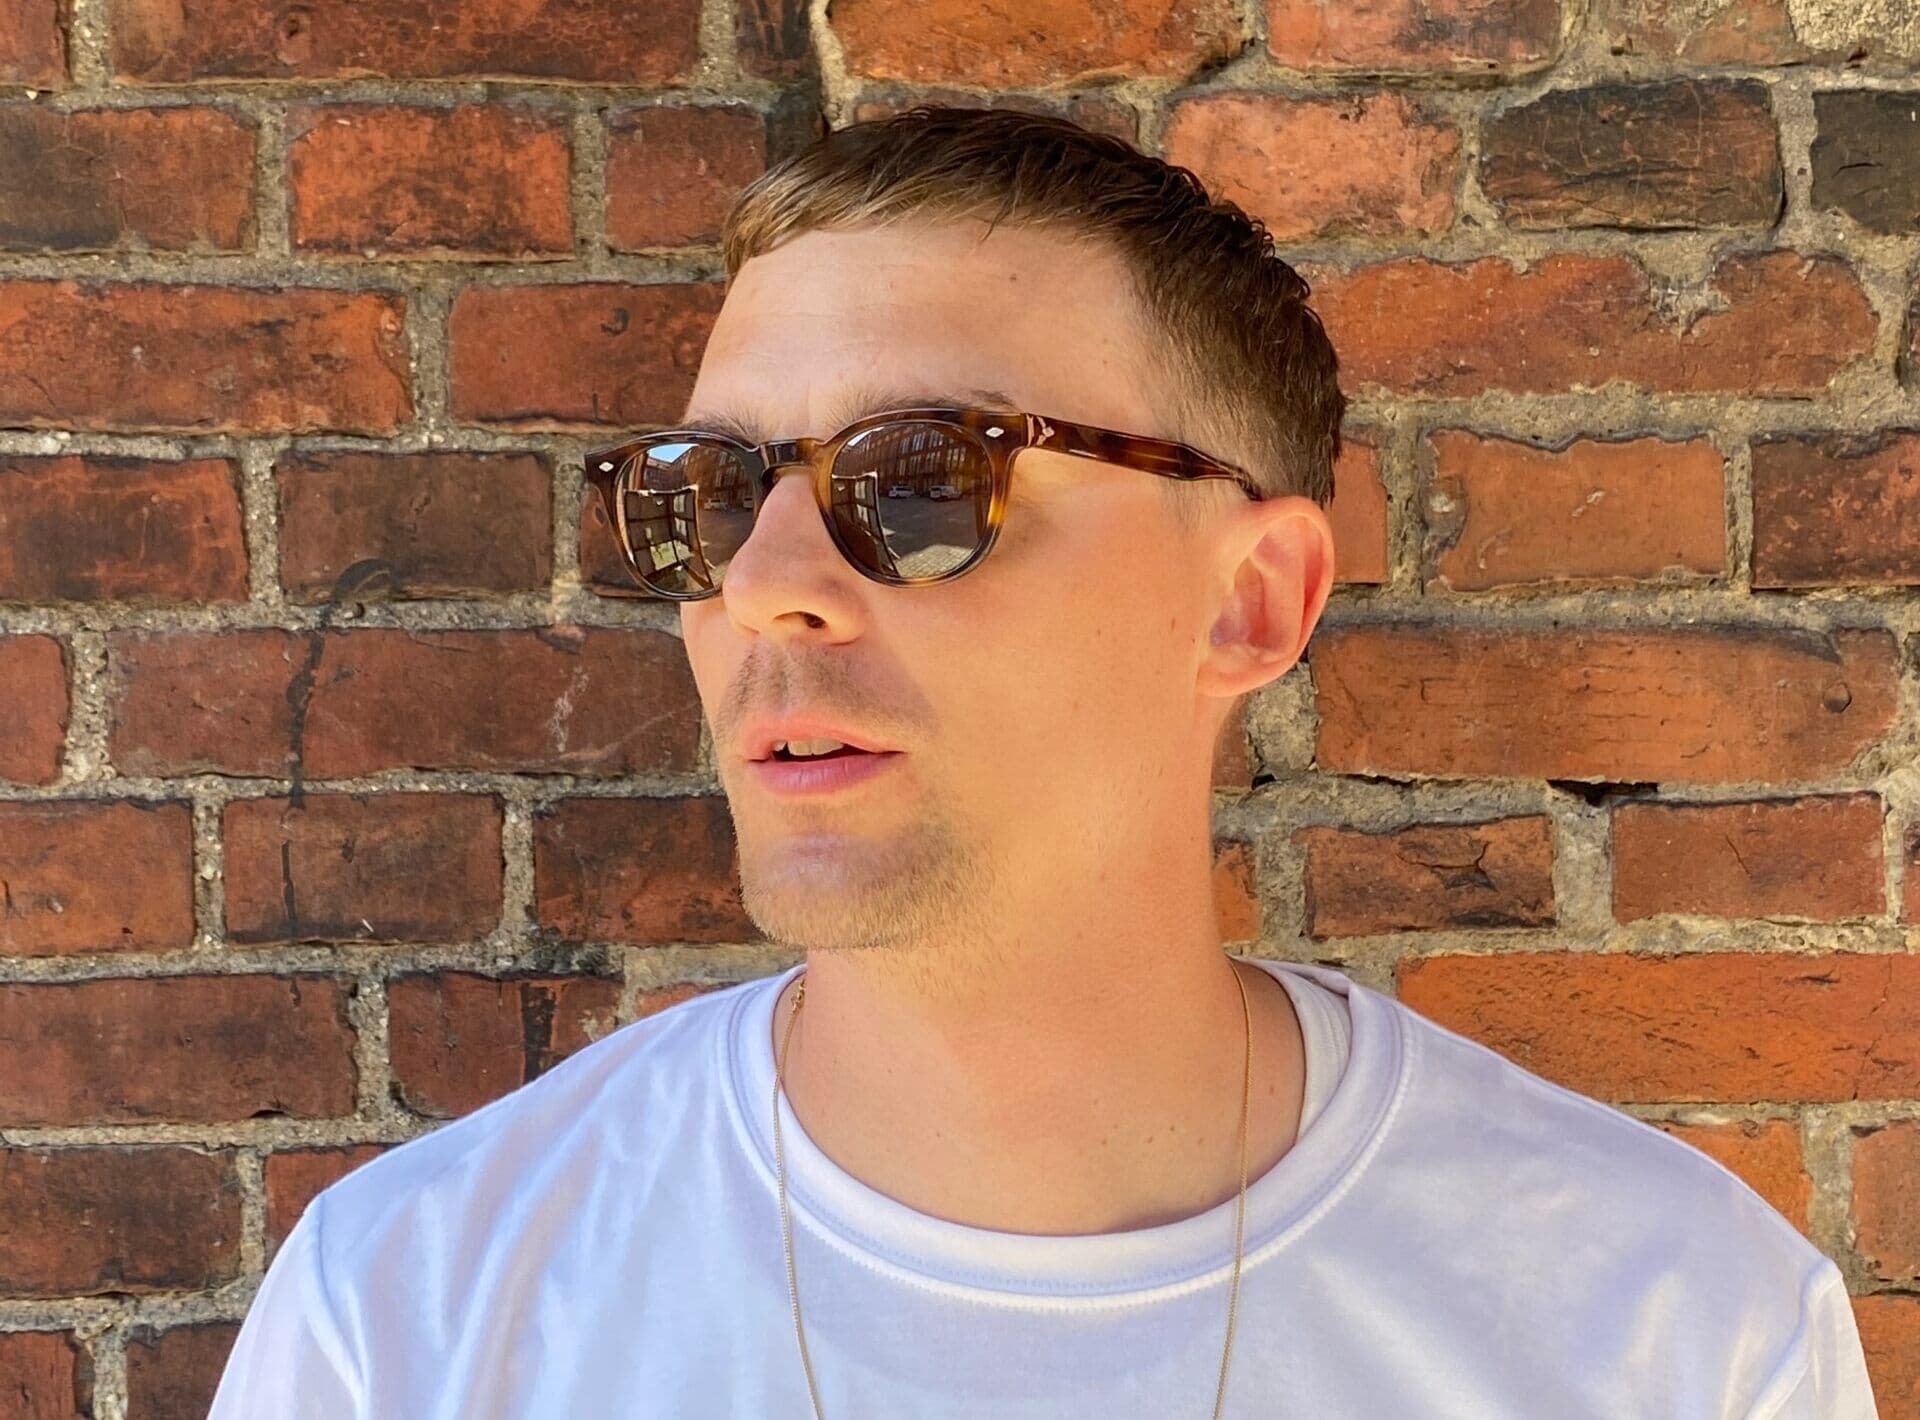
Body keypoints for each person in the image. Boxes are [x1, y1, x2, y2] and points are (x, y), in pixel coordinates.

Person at [208, 105, 1877, 1418]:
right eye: (708, 496)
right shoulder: (412, 1316)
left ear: (1249, 600)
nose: (764, 581)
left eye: (920, 479)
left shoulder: (1665, 1328)